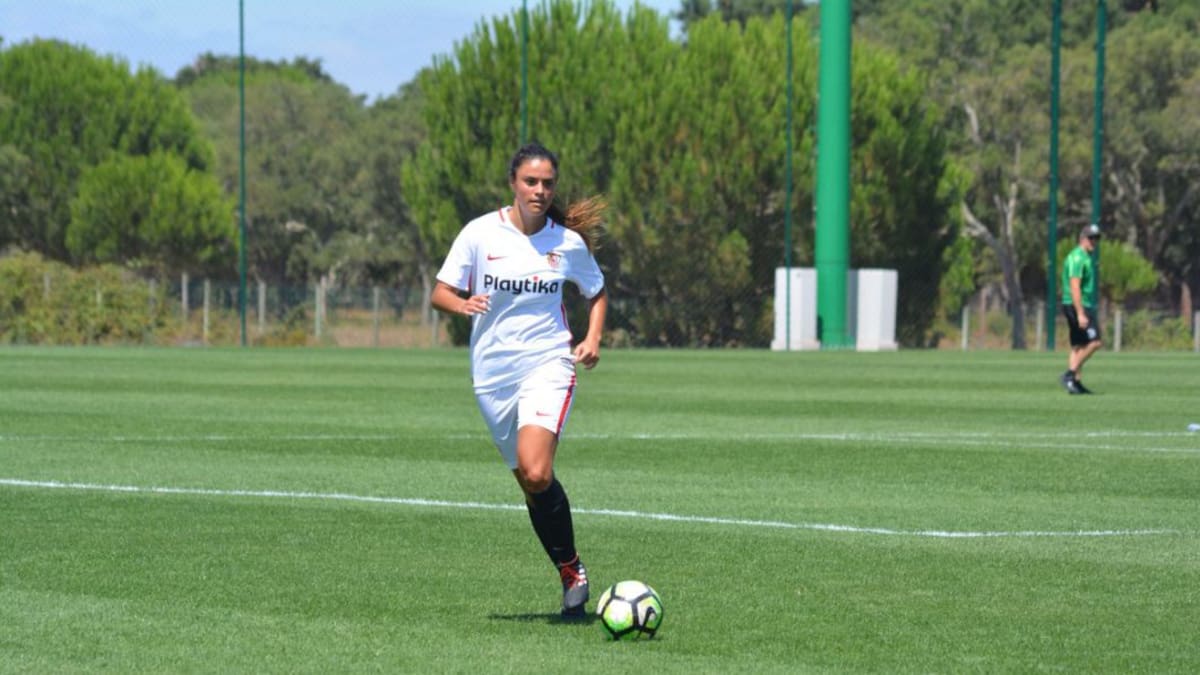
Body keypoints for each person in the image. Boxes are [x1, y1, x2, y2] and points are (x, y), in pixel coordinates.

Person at [430, 142, 608, 616]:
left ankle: (572, 569)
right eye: (531, 181)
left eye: (548, 183)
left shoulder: (565, 243)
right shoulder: (479, 234)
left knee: (536, 470)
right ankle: (568, 569)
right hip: (492, 377)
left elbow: (597, 290)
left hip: (547, 364)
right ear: (513, 182)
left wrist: (591, 338)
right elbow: (440, 291)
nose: (540, 190)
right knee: (529, 484)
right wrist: (461, 303)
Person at [1060, 224, 1102, 394]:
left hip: (1078, 304)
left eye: (1096, 238)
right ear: (1082, 238)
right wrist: (1080, 313)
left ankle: (1075, 384)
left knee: (1078, 345)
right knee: (1095, 342)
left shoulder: (1085, 257)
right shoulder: (1077, 258)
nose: (1094, 242)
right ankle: (1069, 375)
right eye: (1091, 238)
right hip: (1077, 304)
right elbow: (1074, 286)